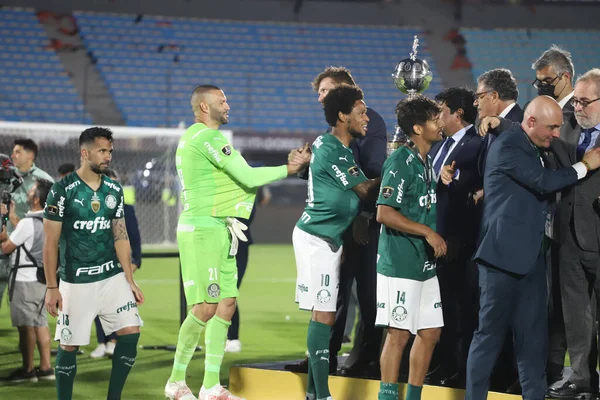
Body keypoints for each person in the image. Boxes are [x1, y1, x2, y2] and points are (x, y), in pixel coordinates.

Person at [164, 84, 310, 400]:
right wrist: (291, 167)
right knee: (205, 307)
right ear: (204, 106)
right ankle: (176, 381)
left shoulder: (199, 137)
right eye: (222, 100)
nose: (228, 105)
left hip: (221, 229)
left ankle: (211, 386)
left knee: (226, 305)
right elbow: (249, 178)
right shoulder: (206, 137)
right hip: (203, 229)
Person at [450, 96, 600, 400]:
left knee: (533, 344)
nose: (556, 133)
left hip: (532, 261)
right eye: (552, 127)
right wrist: (585, 165)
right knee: (488, 338)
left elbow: (550, 154)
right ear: (531, 123)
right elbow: (543, 182)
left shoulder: (536, 143)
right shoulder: (509, 145)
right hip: (501, 261)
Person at [286, 65, 387, 379]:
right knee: (331, 302)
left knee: (365, 295)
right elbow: (348, 179)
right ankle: (323, 364)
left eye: (326, 91)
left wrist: (366, 215)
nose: (320, 99)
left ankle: (362, 358)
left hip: (359, 225)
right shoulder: (331, 141)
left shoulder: (368, 122)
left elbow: (369, 170)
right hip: (329, 233)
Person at [43, 127, 144, 400]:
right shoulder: (62, 191)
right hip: (76, 281)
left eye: (110, 151)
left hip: (111, 276)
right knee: (69, 346)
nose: (107, 156)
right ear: (85, 153)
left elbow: (120, 235)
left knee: (130, 334)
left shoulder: (114, 189)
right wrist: (52, 287)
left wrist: (130, 280)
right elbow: (50, 242)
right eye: (102, 151)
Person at [375, 95, 446, 400]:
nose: (440, 123)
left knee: (430, 332)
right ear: (418, 128)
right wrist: (427, 232)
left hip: (424, 263)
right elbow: (384, 212)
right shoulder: (399, 161)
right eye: (434, 119)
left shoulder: (426, 160)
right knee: (399, 335)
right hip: (401, 261)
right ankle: (388, 397)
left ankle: (413, 396)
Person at [546, 69, 600, 399]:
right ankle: (581, 376)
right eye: (575, 100)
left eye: (584, 101)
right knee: (576, 314)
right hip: (568, 237)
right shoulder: (567, 129)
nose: (577, 107)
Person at [425, 88, 482, 388]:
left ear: (458, 113)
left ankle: (462, 371)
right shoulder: (438, 146)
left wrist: (458, 183)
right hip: (434, 239)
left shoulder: (478, 144)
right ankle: (443, 363)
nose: (437, 116)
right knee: (440, 308)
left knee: (461, 309)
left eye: (441, 110)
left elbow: (481, 191)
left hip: (461, 241)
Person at [531, 45, 576, 387]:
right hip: (547, 223)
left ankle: (569, 375)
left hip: (576, 226)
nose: (540, 87)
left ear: (565, 77)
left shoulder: (579, 115)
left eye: (545, 81)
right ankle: (547, 373)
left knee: (568, 307)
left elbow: (575, 162)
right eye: (537, 82)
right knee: (549, 304)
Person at [0, 179, 54, 383]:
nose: (29, 192)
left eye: (32, 190)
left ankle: (28, 370)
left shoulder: (26, 224)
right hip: (41, 280)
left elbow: (6, 247)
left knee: (26, 326)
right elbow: (26, 233)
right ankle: (46, 368)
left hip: (24, 281)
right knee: (40, 323)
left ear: (36, 199)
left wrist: (3, 221)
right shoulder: (48, 221)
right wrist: (11, 215)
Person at [90, 168, 143, 359]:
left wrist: (130, 267)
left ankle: (113, 341)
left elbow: (135, 242)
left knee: (115, 307)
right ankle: (102, 342)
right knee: (97, 305)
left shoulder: (126, 210)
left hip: (119, 268)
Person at [0, 139, 53, 306]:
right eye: (13, 151)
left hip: (27, 248)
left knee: (24, 301)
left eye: (18, 152)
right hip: (4, 238)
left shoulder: (43, 181)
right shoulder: (5, 176)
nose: (13, 155)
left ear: (30, 155)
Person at [225, 184, 271, 353]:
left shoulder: (245, 194)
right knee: (212, 294)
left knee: (230, 292)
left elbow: (245, 220)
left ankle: (232, 338)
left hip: (238, 246)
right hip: (216, 246)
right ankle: (220, 337)